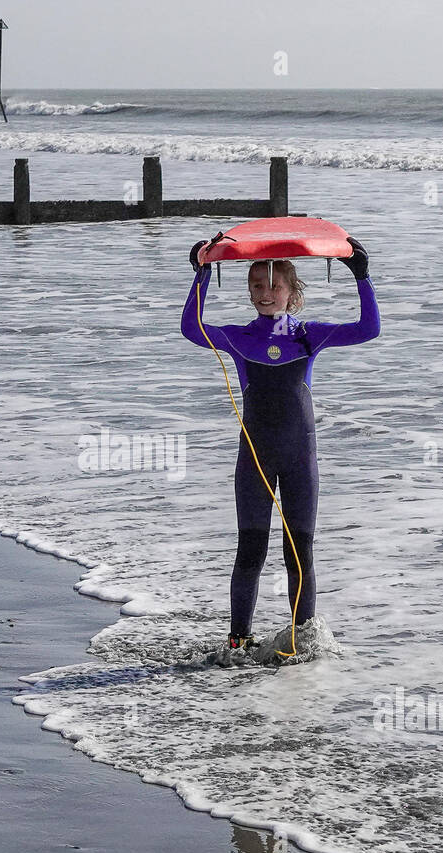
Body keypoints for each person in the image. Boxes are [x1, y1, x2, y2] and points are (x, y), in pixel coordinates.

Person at [180, 238, 379, 650]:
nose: (265, 293)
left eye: (275, 286)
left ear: (292, 292)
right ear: (248, 291)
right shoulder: (240, 339)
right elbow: (191, 329)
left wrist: (361, 276)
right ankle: (238, 642)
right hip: (255, 457)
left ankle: (301, 643)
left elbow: (368, 329)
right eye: (256, 286)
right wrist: (200, 273)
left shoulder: (308, 337)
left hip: (298, 459)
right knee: (250, 550)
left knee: (298, 552)